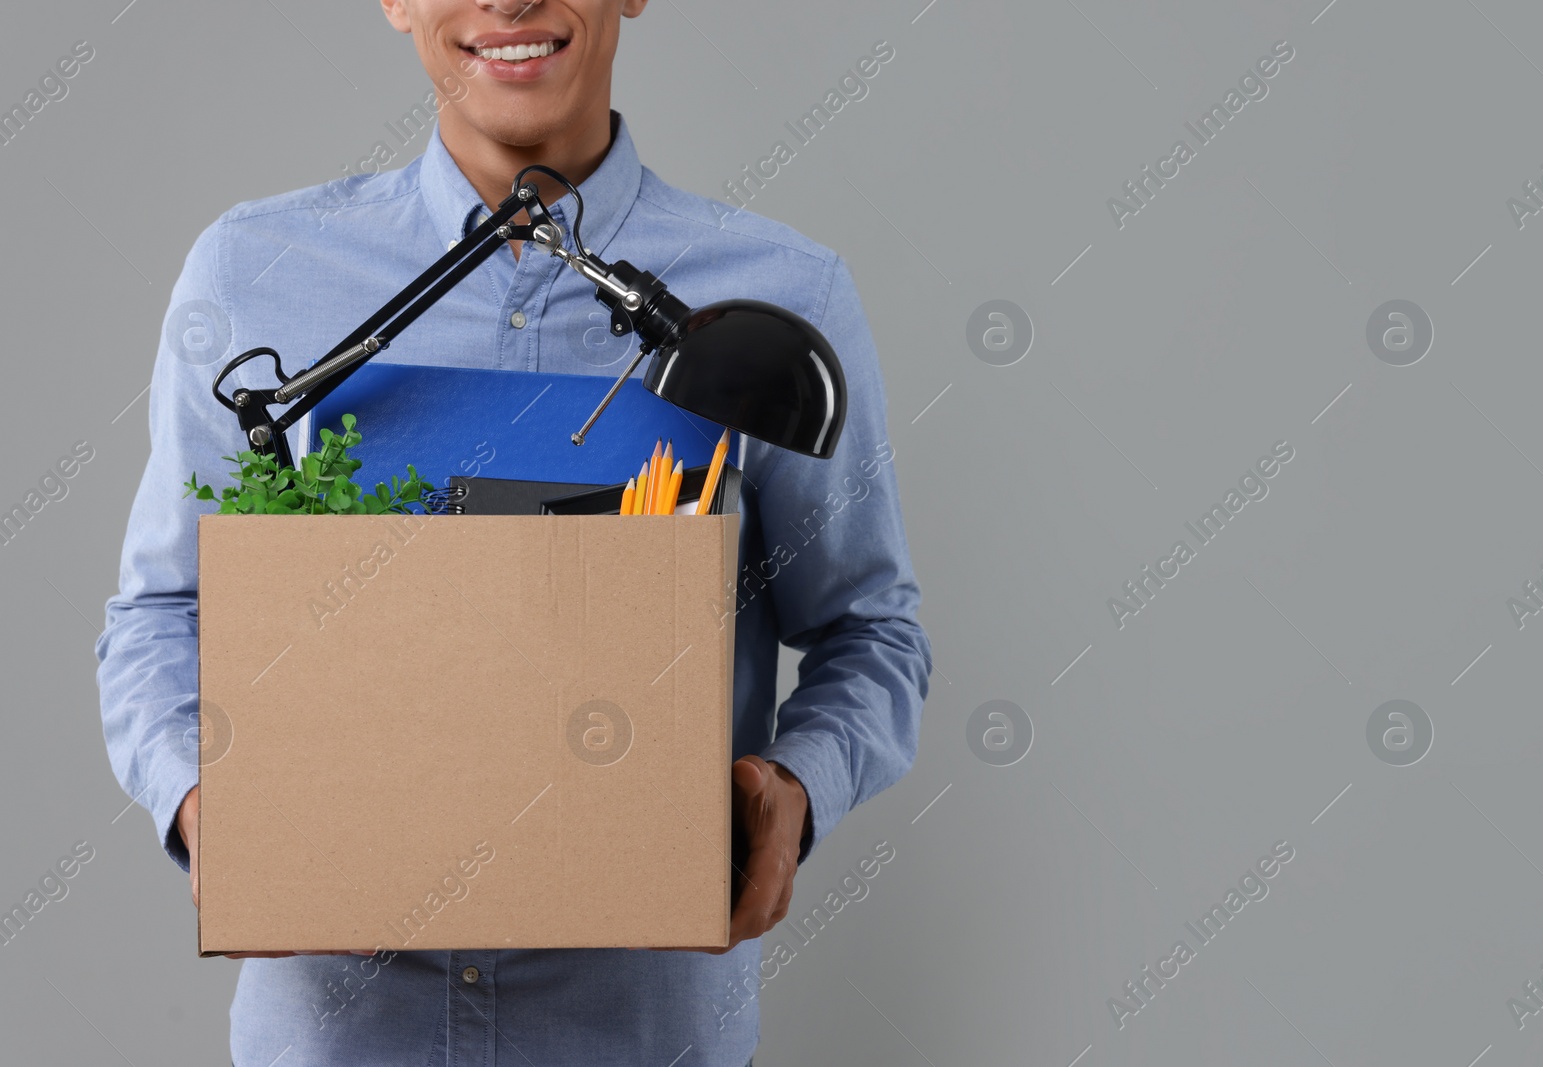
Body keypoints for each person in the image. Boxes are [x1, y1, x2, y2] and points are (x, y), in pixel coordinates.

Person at [94, 1, 931, 1064]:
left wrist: (798, 787)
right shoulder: (255, 272)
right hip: (341, 1030)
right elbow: (161, 612)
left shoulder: (773, 299)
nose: (509, 1)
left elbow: (871, 630)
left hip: (639, 1028)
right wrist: (202, 800)